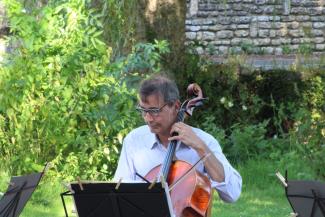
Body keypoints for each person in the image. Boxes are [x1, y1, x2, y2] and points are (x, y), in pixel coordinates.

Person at [114, 74, 242, 203]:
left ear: (175, 106)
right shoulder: (134, 140)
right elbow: (119, 191)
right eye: (143, 110)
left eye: (154, 110)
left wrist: (201, 148)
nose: (148, 118)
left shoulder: (204, 141)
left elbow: (232, 194)